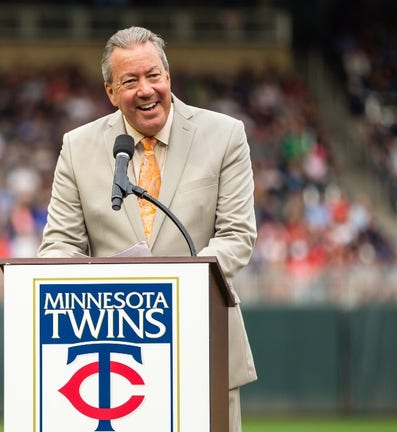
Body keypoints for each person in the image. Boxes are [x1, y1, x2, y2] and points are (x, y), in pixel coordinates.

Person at [37, 26, 257, 431]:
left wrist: (174, 287)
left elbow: (237, 237)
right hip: (111, 360)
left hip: (203, 342)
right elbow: (58, 245)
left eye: (153, 75)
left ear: (168, 76)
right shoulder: (78, 146)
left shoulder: (225, 135)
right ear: (110, 92)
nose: (146, 89)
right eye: (130, 81)